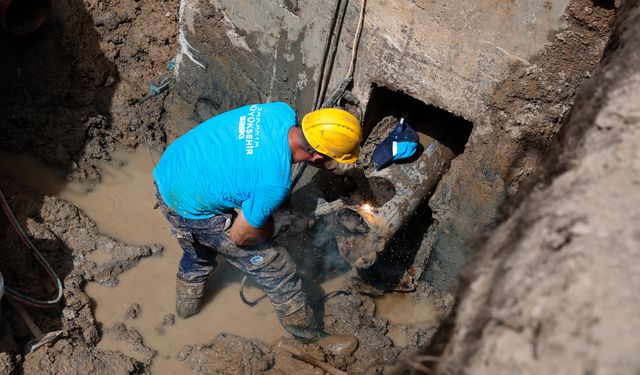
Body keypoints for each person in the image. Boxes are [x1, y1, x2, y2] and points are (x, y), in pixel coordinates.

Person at [152, 102, 361, 350]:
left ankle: (185, 311)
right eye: (332, 160)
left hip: (169, 175)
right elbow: (240, 236)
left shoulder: (280, 112)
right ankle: (309, 336)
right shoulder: (273, 183)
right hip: (193, 209)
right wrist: (278, 226)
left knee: (198, 253)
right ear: (316, 157)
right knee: (277, 266)